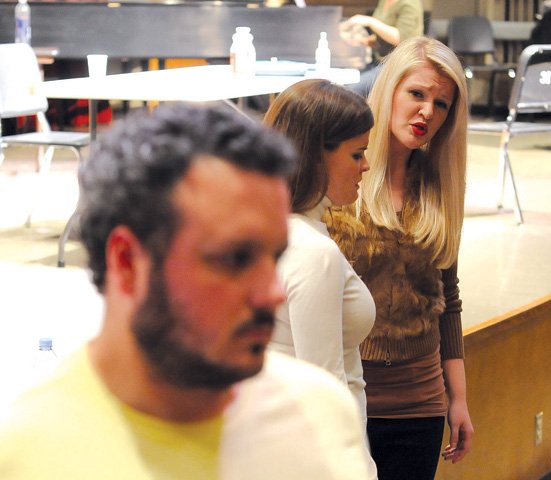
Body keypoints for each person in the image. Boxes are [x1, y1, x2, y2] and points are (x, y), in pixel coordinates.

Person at [0, 103, 373, 479]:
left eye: (274, 257)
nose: (272, 294)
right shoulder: (30, 452)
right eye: (234, 259)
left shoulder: (321, 417)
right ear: (127, 262)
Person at [325, 36, 475, 480]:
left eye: (442, 104)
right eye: (417, 94)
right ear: (389, 90)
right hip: (346, 399)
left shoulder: (439, 186)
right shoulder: (341, 177)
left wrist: (459, 399)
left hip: (419, 406)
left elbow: (447, 298)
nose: (428, 112)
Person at [263, 79, 378, 479]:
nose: (365, 166)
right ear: (315, 155)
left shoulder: (272, 227)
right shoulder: (313, 252)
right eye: (357, 154)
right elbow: (324, 392)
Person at [341, 0, 424, 97]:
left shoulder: (409, 3)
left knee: (352, 91)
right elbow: (382, 35)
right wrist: (365, 40)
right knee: (343, 83)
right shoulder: (385, 1)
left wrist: (370, 21)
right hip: (379, 61)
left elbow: (403, 39)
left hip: (398, 65)